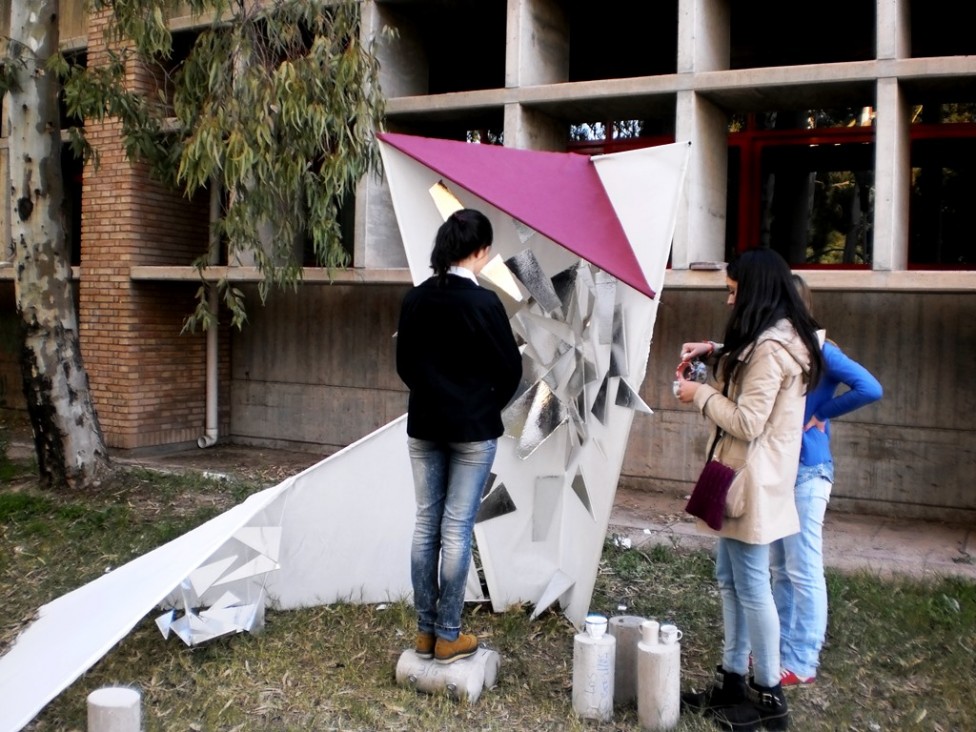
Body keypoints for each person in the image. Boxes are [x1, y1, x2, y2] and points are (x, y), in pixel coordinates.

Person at [674, 248, 824, 731]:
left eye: (733, 291)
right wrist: (714, 352)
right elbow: (755, 373)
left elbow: (748, 420)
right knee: (730, 580)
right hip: (745, 478)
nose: (728, 301)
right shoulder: (776, 340)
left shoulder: (769, 350)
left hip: (749, 481)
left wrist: (702, 396)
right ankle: (734, 681)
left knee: (752, 588)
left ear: (753, 292)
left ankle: (768, 698)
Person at [395, 208, 522, 664]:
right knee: (456, 528)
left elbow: (405, 366)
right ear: (481, 251)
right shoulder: (485, 304)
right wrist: (483, 404)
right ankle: (449, 634)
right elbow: (510, 370)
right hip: (472, 430)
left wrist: (434, 395)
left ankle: (425, 633)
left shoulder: (415, 299)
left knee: (426, 525)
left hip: (425, 425)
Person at [771, 275, 883, 687]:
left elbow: (871, 388)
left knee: (803, 568)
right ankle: (780, 651)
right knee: (781, 568)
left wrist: (824, 415)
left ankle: (802, 660)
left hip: (808, 471)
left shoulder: (822, 352)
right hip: (782, 470)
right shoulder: (782, 349)